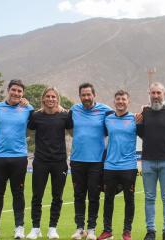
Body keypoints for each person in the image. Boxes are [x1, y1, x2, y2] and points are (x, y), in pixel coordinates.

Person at [0, 79, 34, 239]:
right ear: (8, 90)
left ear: (23, 94)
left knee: (18, 193)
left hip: (19, 157)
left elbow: (40, 121)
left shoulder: (28, 109)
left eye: (20, 91)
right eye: (14, 90)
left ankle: (19, 228)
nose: (16, 93)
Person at [136, 82, 165, 240]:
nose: (156, 96)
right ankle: (151, 231)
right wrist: (138, 124)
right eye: (153, 93)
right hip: (148, 161)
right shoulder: (145, 112)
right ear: (149, 94)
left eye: (158, 93)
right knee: (149, 197)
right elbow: (142, 133)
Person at [26, 87, 72, 239]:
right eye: (48, 96)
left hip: (59, 162)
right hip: (40, 162)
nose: (51, 99)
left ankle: (52, 228)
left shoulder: (65, 116)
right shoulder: (36, 116)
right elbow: (29, 130)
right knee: (36, 196)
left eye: (53, 97)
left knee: (57, 197)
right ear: (43, 99)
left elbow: (73, 132)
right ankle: (35, 228)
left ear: (57, 99)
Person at [69, 83, 113, 240]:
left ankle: (92, 229)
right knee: (79, 195)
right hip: (76, 160)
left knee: (94, 196)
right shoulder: (74, 110)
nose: (86, 98)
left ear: (94, 95)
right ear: (80, 96)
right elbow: (65, 122)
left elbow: (119, 119)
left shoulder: (105, 110)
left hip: (96, 161)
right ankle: (80, 228)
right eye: (83, 95)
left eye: (89, 94)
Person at [97, 90, 138, 240]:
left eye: (123, 99)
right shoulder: (107, 119)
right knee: (108, 199)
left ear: (128, 101)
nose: (121, 102)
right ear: (114, 102)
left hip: (129, 166)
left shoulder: (135, 119)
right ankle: (107, 231)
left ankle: (127, 232)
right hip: (110, 166)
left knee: (129, 200)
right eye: (118, 99)